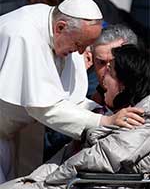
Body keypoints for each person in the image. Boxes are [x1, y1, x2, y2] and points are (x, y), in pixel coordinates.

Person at [0, 0, 144, 183]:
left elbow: (70, 100)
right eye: (78, 45)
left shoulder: (63, 30)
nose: (80, 53)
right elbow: (45, 106)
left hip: (15, 135)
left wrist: (107, 114)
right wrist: (103, 120)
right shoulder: (22, 34)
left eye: (85, 47)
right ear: (60, 27)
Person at [2, 44, 149, 189]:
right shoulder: (119, 113)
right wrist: (34, 180)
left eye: (109, 71)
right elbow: (66, 156)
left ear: (123, 84)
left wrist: (46, 182)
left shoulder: (141, 119)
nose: (102, 77)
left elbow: (99, 158)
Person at [91, 24, 139, 105]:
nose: (108, 70)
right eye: (101, 62)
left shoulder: (144, 102)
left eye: (115, 62)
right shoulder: (93, 102)